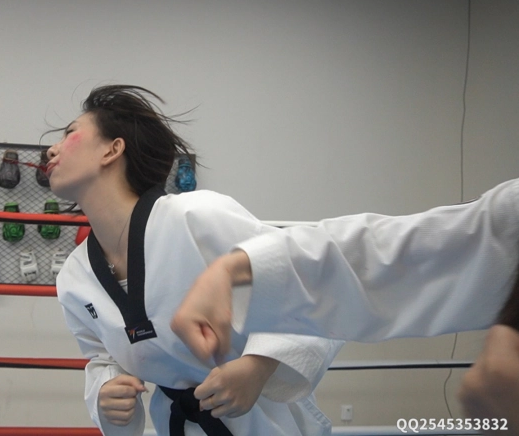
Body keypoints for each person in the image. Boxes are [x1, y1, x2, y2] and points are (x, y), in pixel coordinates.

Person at [47, 85, 343, 436]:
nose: (51, 149)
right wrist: (106, 390)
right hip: (178, 423)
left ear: (112, 149)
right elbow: (103, 355)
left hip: (265, 421)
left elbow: (307, 283)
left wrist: (258, 366)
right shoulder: (75, 276)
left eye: (70, 133)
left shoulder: (196, 216)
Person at [169, 178, 519, 433]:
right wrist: (238, 269)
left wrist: (258, 364)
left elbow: (359, 278)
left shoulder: (198, 214)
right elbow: (386, 257)